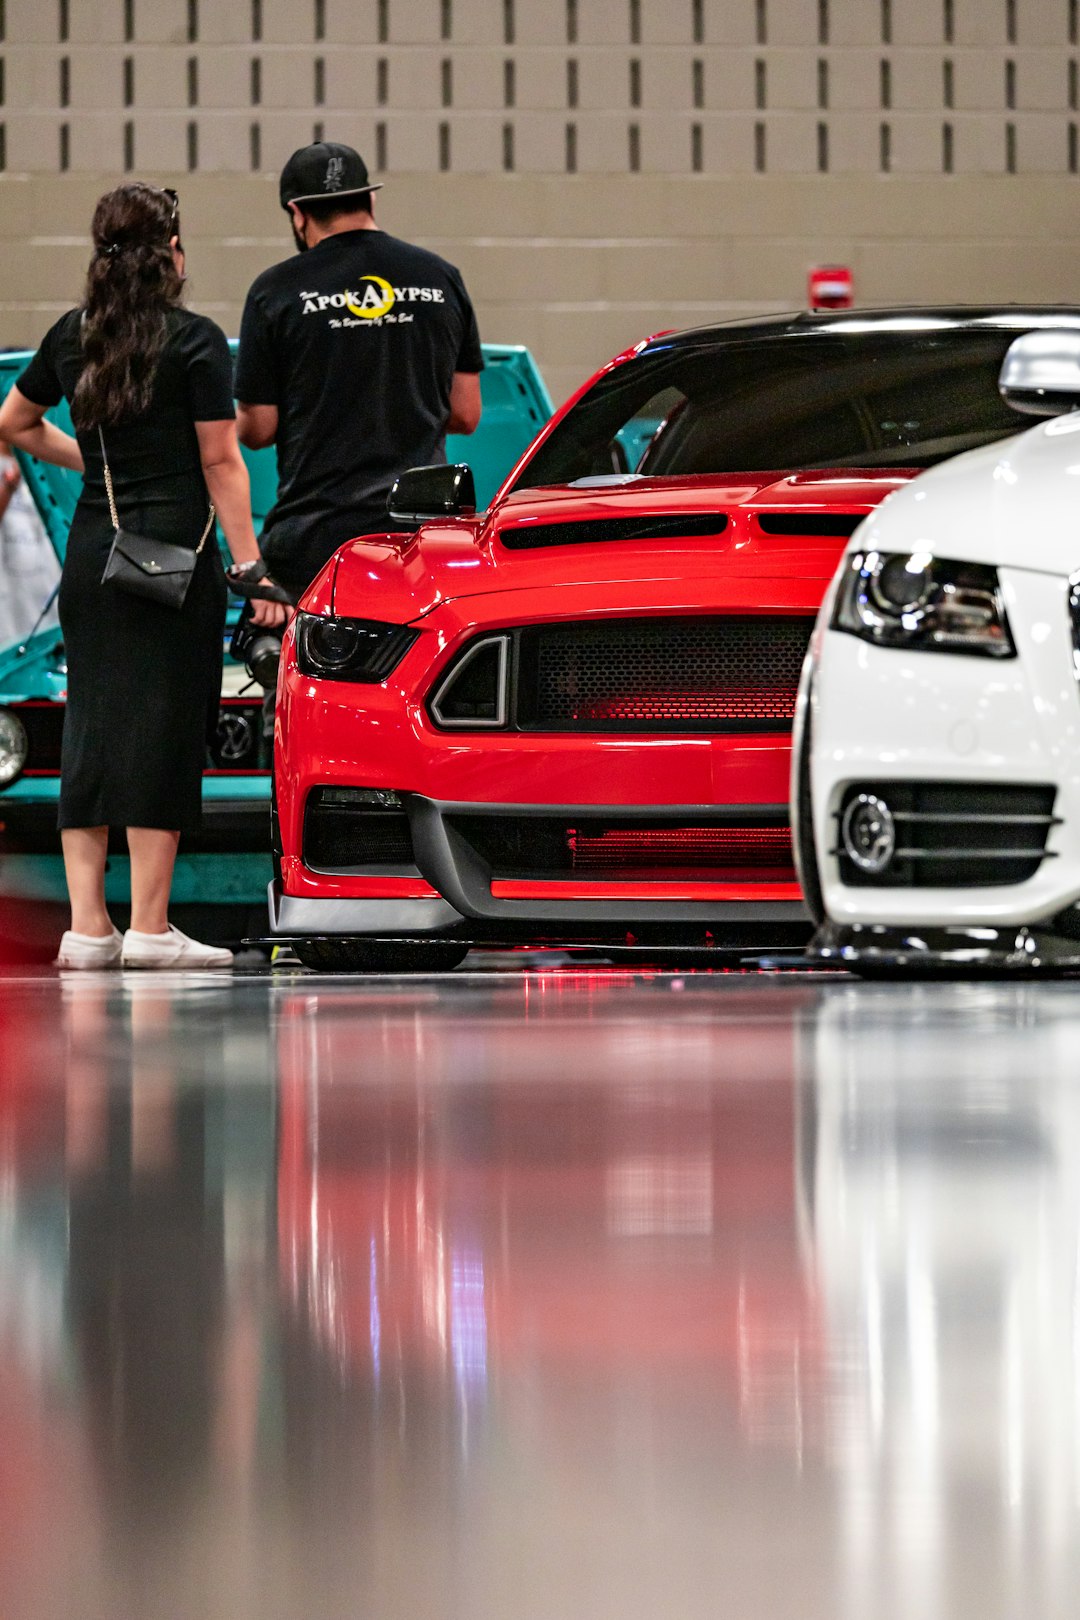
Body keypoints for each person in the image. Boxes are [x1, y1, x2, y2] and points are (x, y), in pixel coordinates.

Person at [0, 182, 284, 971]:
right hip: (175, 563)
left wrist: (82, 457)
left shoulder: (72, 336)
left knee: (93, 729)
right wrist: (250, 565)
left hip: (97, 556)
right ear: (173, 256)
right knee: (162, 733)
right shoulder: (195, 342)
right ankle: (151, 928)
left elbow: (12, 424)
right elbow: (221, 459)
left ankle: (87, 929)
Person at [233, 141, 483, 600]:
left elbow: (258, 429)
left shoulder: (275, 291)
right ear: (370, 199)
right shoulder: (440, 277)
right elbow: (466, 413)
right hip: (419, 534)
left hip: (317, 538)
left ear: (297, 213)